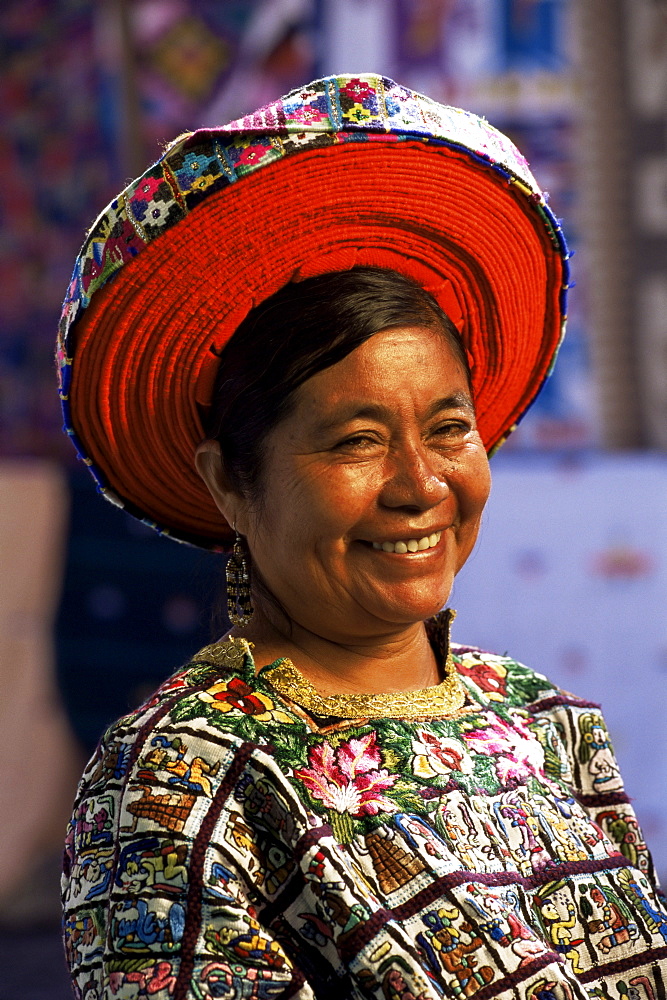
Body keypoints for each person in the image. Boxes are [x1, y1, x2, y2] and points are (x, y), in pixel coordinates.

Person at [58, 75, 667, 1000]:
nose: (420, 486)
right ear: (228, 481)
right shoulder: (180, 774)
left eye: (448, 429)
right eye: (356, 442)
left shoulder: (549, 726)